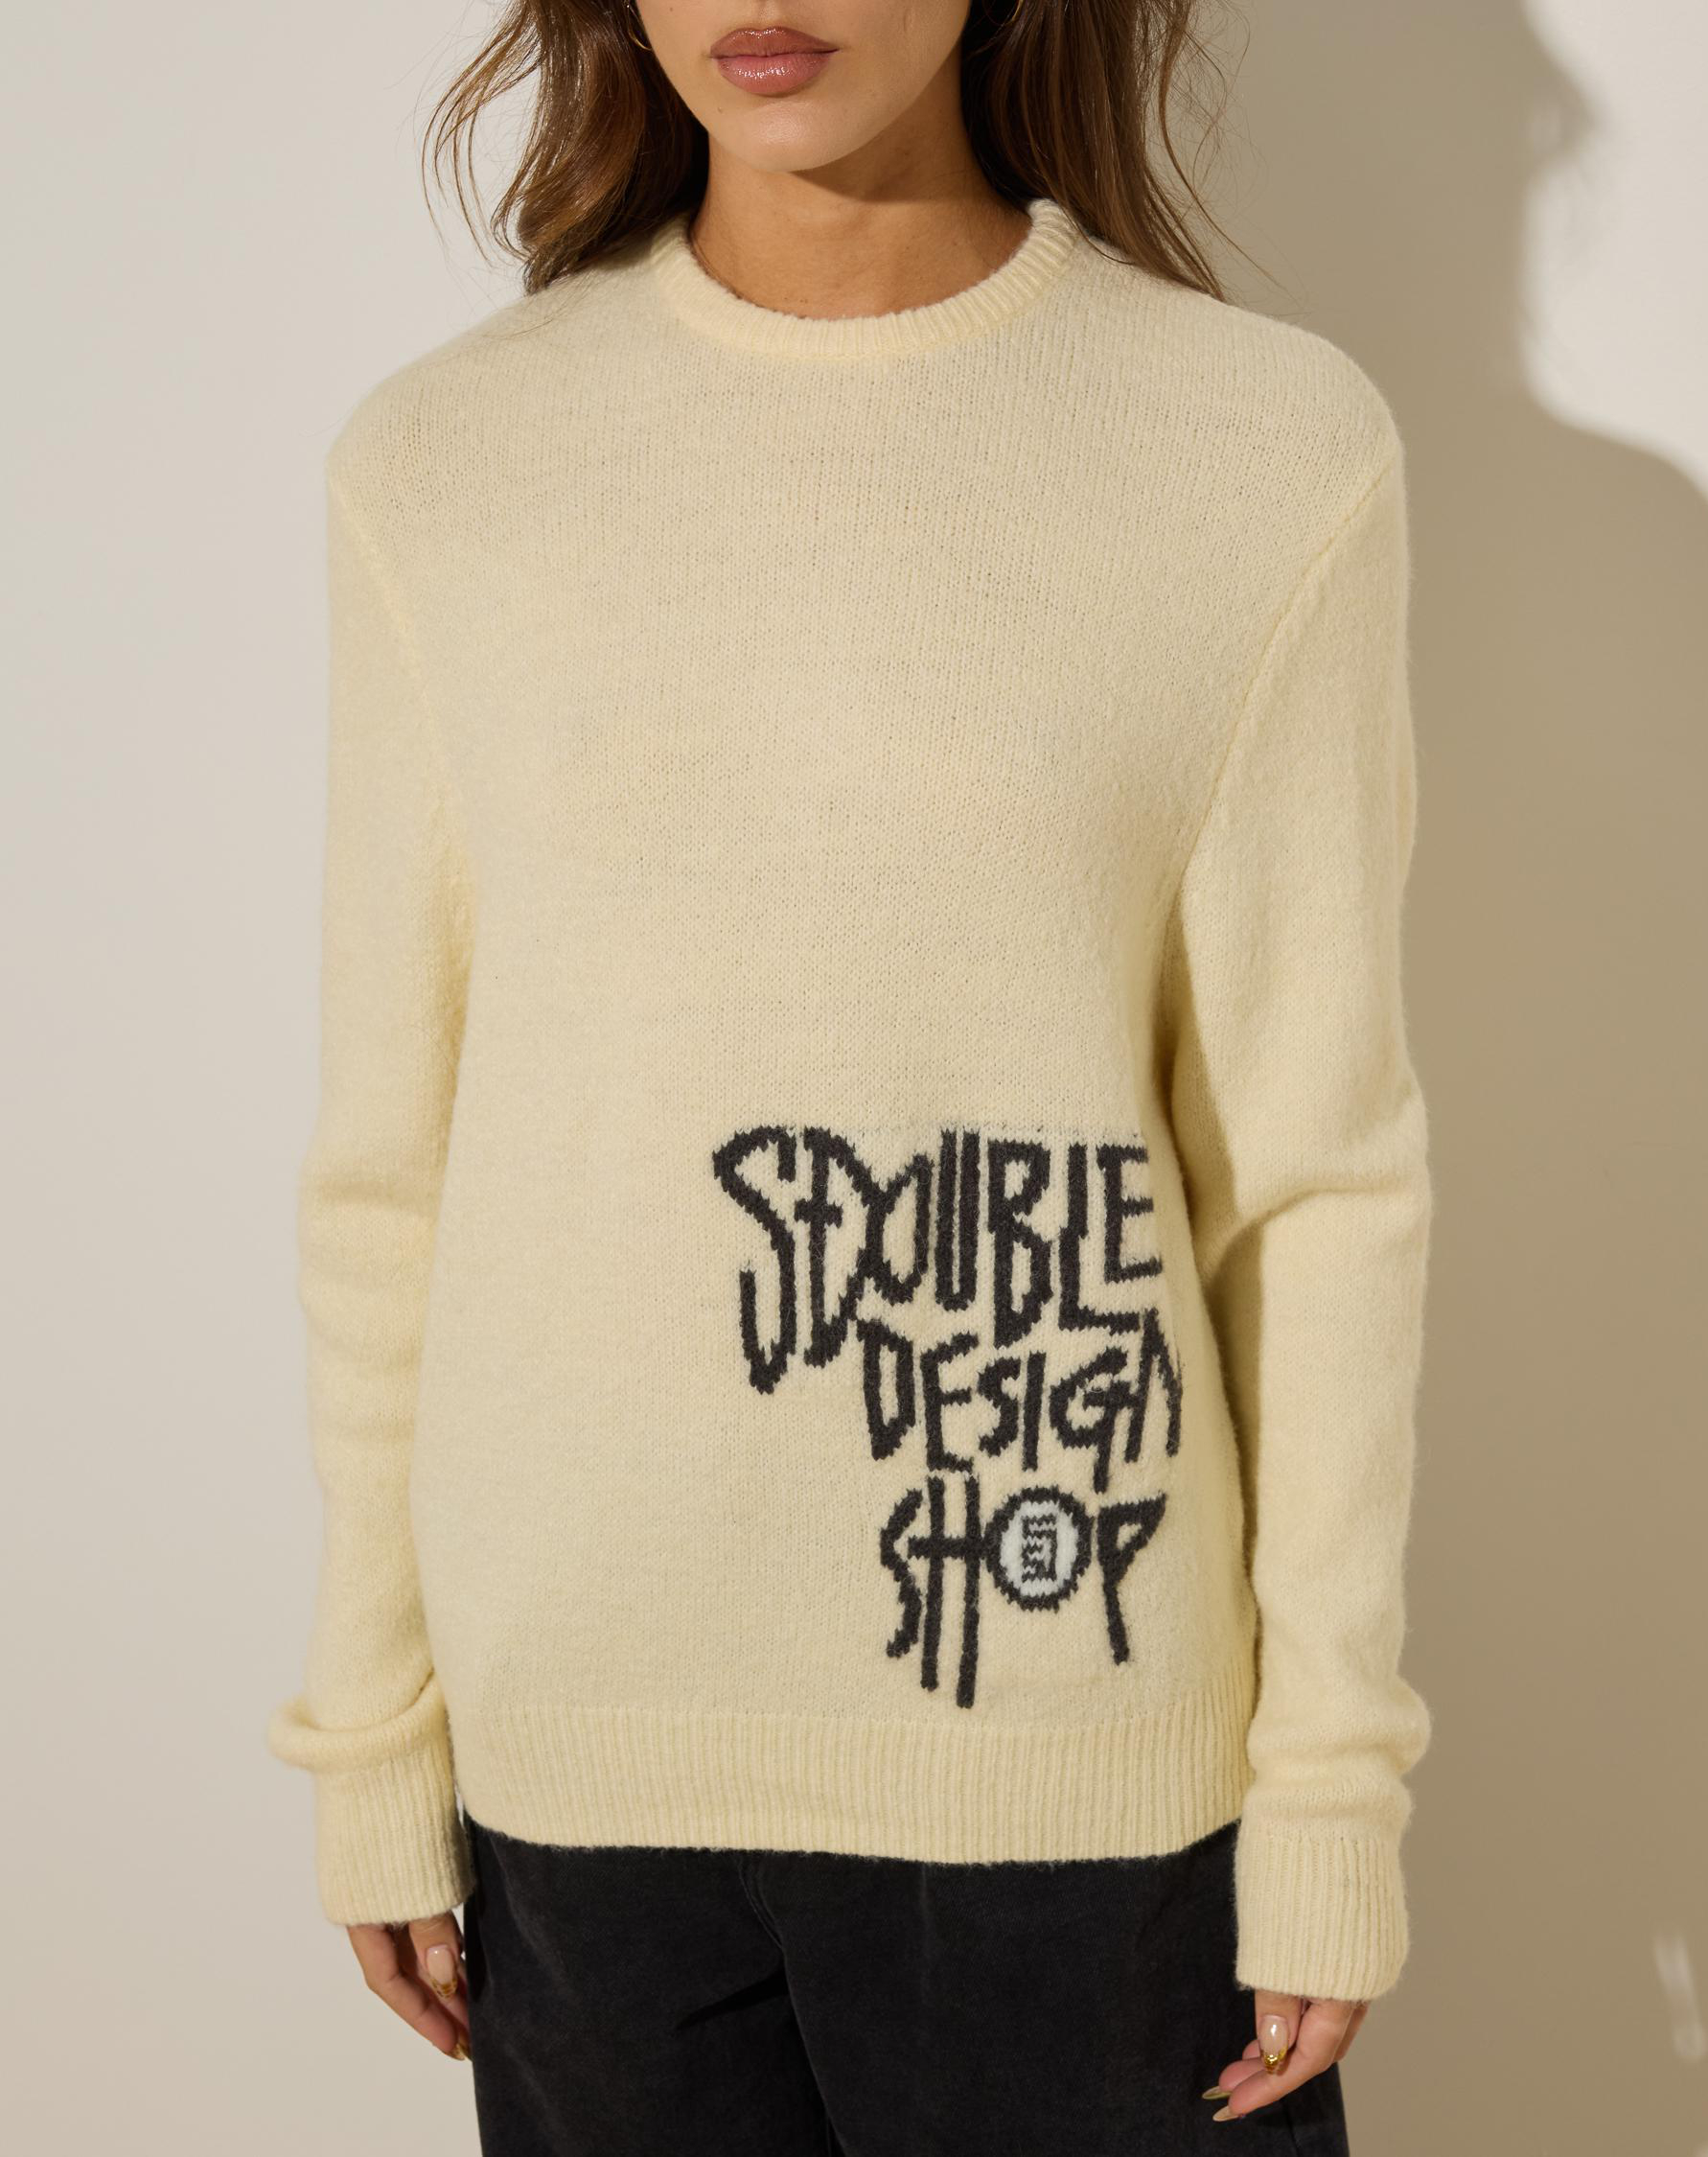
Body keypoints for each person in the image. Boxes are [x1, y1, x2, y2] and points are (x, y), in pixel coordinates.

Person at [265, 4, 1437, 2151]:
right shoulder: (446, 465)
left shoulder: (1265, 453)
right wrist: (372, 1733)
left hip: (1076, 1756)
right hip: (580, 1782)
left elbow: (1315, 1189)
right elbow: (390, 1172)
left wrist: (1330, 1786)